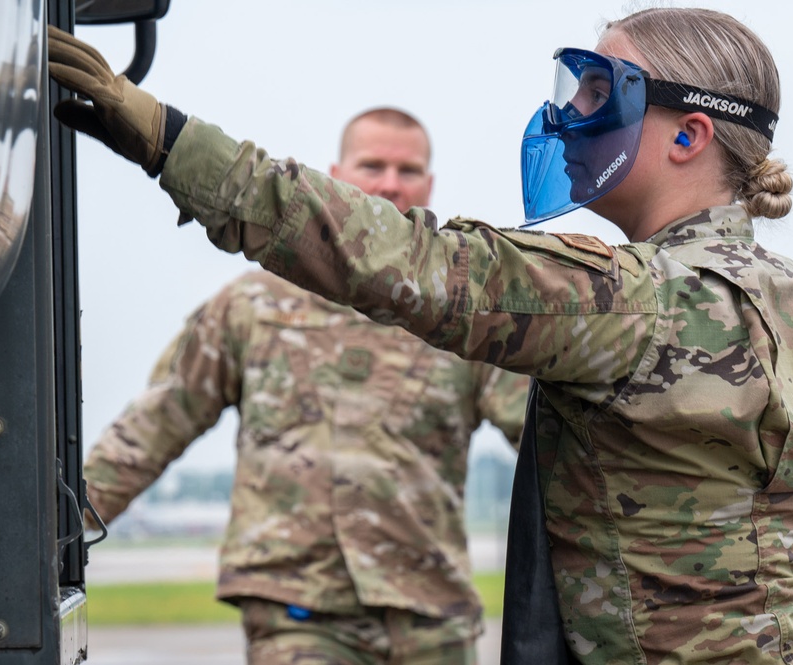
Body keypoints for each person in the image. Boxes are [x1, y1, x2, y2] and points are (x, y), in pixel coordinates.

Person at [49, 6, 793, 664]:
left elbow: (410, 258)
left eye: (599, 94)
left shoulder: (622, 299)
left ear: (686, 133)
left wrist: (169, 140)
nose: (569, 118)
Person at [81, 106, 530, 664]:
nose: (390, 182)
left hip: (429, 615)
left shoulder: (459, 318)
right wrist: (58, 534)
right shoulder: (252, 307)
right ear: (335, 176)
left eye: (408, 169)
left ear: (430, 185)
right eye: (373, 165)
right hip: (297, 611)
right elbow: (153, 428)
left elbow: (543, 443)